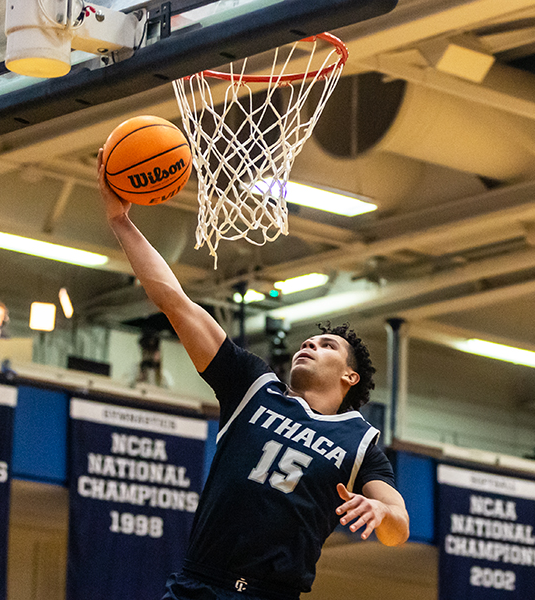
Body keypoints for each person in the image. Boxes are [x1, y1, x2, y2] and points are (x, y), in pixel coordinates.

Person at [97, 149, 409, 600]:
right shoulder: (253, 387)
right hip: (196, 585)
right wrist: (121, 222)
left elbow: (399, 525)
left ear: (350, 378)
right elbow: (177, 303)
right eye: (309, 340)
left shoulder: (358, 444)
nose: (309, 344)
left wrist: (381, 513)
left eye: (327, 346)